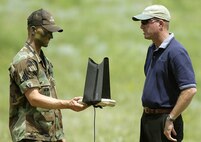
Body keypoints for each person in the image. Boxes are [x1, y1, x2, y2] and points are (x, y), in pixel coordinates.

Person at [9, 9, 87, 142]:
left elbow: (50, 102)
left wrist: (59, 136)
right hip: (30, 136)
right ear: (33, 30)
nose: (51, 36)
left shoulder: (46, 62)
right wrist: (68, 104)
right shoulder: (24, 60)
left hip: (47, 136)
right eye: (47, 31)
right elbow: (34, 98)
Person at [132, 5, 197, 142]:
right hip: (148, 120)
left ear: (160, 24)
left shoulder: (176, 52)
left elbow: (190, 90)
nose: (141, 26)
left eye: (145, 22)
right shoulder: (152, 49)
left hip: (166, 121)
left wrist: (170, 118)